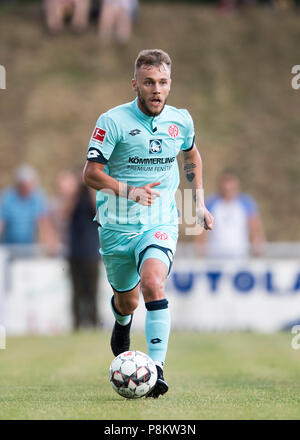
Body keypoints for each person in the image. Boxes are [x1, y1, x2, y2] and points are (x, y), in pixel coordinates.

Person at [83, 49, 214, 398]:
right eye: (149, 82)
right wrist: (129, 191)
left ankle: (155, 370)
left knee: (154, 283)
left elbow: (191, 154)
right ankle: (122, 319)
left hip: (158, 221)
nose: (157, 89)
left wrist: (198, 201)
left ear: (170, 84)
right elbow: (91, 174)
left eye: (163, 82)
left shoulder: (181, 120)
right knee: (128, 301)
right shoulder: (111, 121)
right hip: (116, 225)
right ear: (135, 84)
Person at [197, 171, 265, 258]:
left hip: (240, 255)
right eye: (225, 189)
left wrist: (258, 246)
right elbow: (201, 231)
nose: (228, 191)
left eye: (231, 189)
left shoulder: (246, 203)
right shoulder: (211, 203)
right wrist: (200, 251)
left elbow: (254, 227)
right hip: (215, 256)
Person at [0, 164, 58, 256]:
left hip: (29, 249)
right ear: (18, 184)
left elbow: (44, 223)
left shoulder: (37, 198)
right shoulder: (8, 198)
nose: (28, 187)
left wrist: (51, 246)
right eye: (25, 184)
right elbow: (1, 223)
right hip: (8, 248)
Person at [68, 180, 101, 331]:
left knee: (93, 291)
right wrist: (71, 193)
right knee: (76, 291)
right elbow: (63, 214)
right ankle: (77, 324)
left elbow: (98, 209)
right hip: (74, 252)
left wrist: (91, 186)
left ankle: (94, 323)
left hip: (92, 252)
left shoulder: (93, 196)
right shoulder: (74, 198)